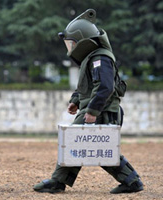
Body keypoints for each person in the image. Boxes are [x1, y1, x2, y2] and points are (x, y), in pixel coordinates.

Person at [33, 9, 144, 194]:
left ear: (83, 40)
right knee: (80, 144)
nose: (69, 47)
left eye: (71, 43)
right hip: (97, 109)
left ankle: (58, 182)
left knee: (89, 146)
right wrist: (75, 100)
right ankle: (58, 182)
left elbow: (105, 87)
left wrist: (92, 111)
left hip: (102, 110)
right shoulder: (92, 58)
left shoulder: (100, 57)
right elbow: (87, 86)